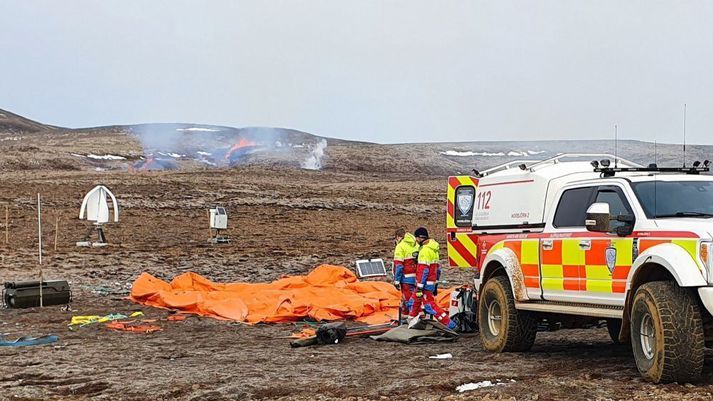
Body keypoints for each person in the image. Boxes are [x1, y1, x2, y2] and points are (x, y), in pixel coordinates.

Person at [408, 227, 456, 329]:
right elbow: (437, 270)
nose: (416, 241)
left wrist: (420, 287)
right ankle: (411, 320)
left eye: (416, 238)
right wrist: (436, 284)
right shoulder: (433, 249)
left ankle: (450, 324)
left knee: (429, 306)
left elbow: (423, 270)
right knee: (414, 301)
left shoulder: (425, 251)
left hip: (424, 284)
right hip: (430, 282)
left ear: (420, 238)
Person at [393, 228, 419, 319]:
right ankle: (409, 315)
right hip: (417, 278)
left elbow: (399, 266)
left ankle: (411, 318)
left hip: (406, 278)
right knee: (415, 298)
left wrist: (396, 280)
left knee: (408, 299)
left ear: (398, 237)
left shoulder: (400, 247)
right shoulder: (416, 244)